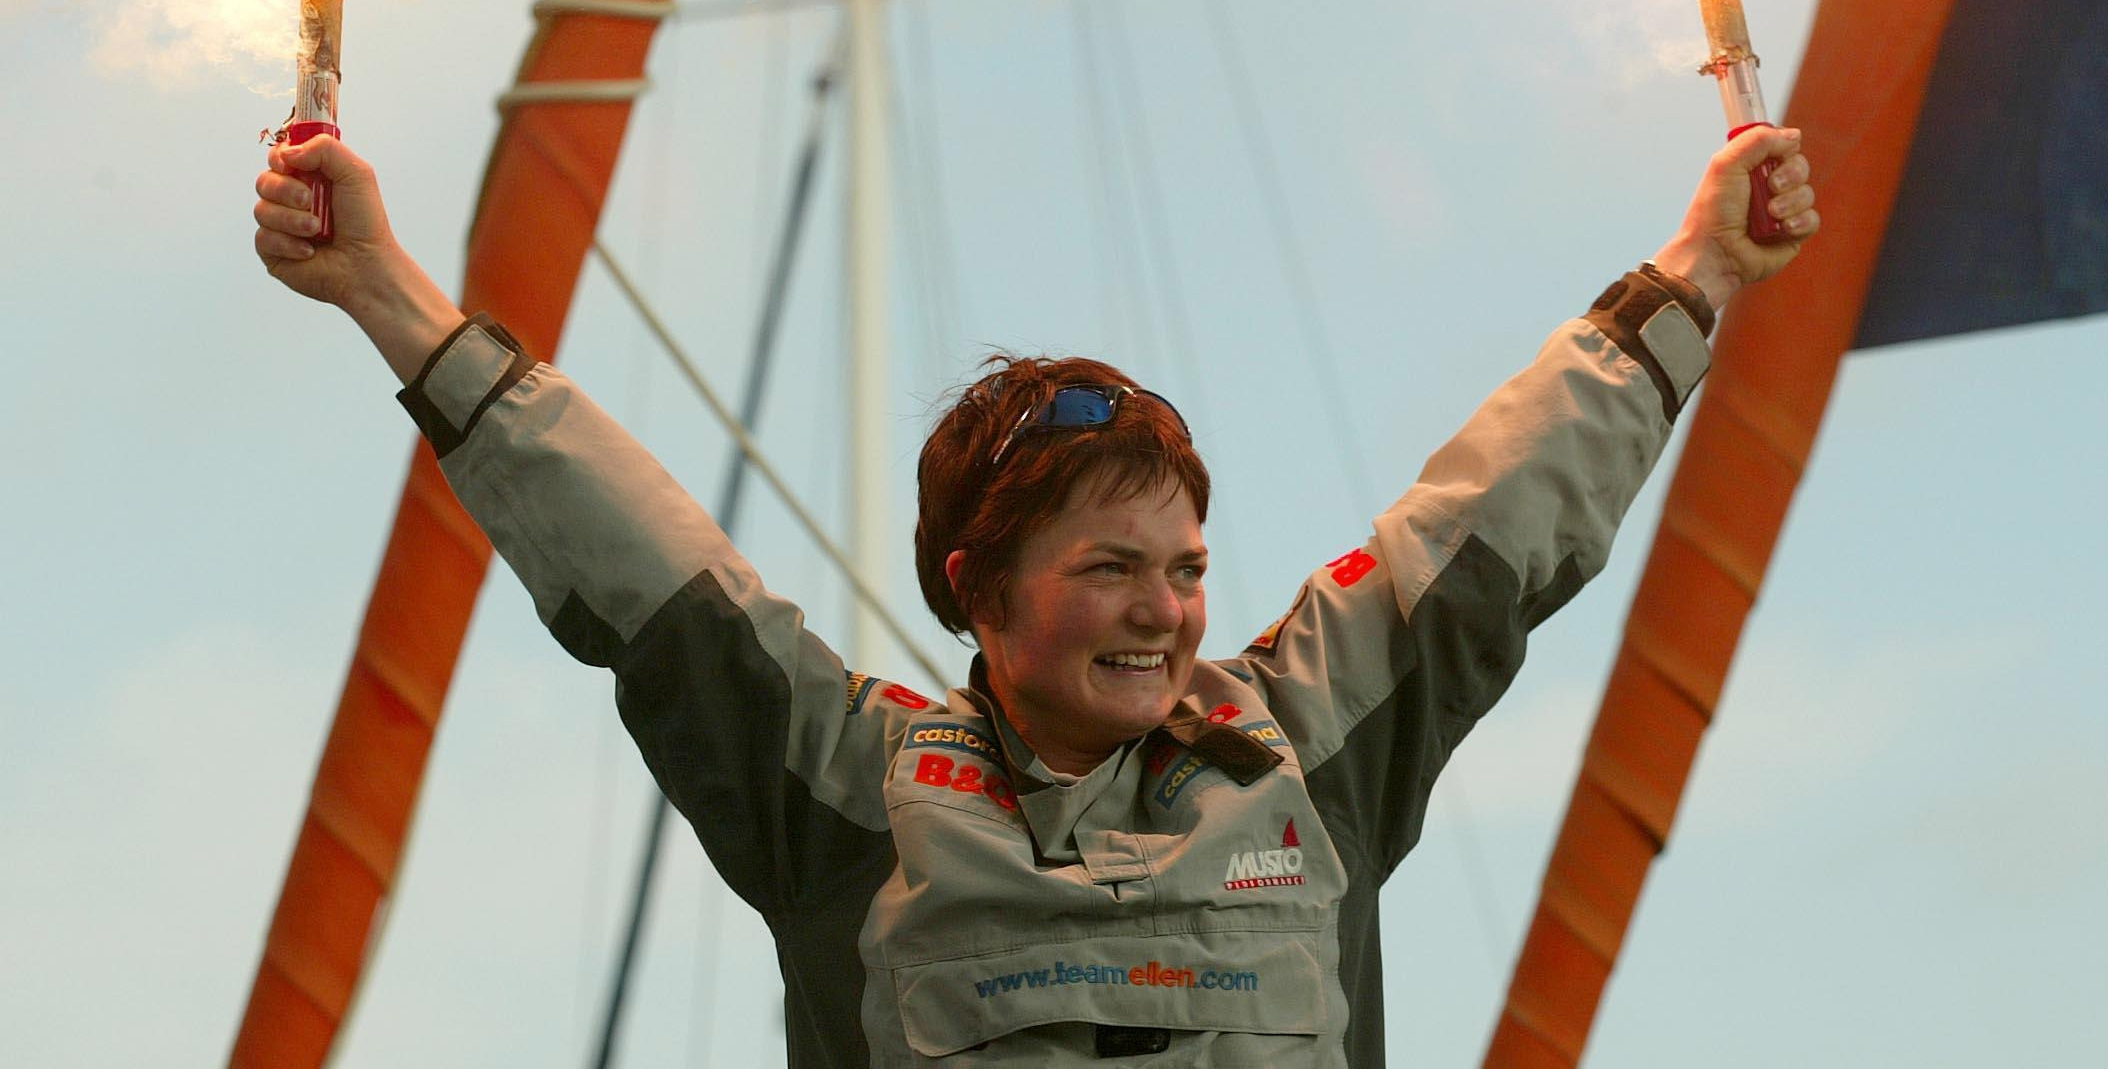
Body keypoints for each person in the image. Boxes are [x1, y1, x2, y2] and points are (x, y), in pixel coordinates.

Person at [252, 127, 1816, 1066]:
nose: (1166, 611)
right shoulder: (850, 792)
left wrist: (1700, 273)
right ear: (978, 593)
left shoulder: (1311, 740)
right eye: (1112, 570)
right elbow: (646, 565)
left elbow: (1496, 513)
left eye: (1188, 570)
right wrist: (389, 298)